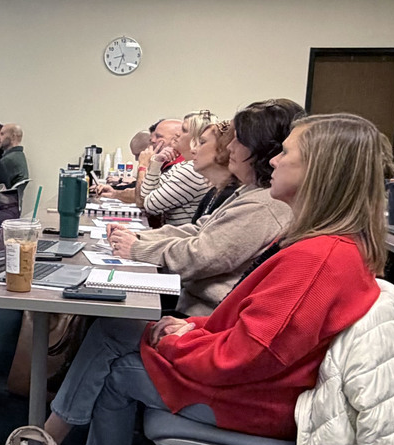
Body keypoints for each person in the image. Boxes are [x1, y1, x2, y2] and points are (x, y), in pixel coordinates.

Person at [45, 113, 388, 445]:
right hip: (260, 384)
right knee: (120, 346)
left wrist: (175, 341)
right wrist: (194, 331)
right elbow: (255, 334)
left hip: (254, 401)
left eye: (287, 153)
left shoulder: (317, 258)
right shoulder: (327, 247)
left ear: (319, 170)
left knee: (118, 370)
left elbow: (245, 357)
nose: (274, 160)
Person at [108, 102, 301, 316]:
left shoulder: (263, 204)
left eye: (239, 140)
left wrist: (137, 248)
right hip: (190, 301)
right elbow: (197, 230)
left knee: (110, 326)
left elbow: (202, 254)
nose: (230, 147)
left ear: (260, 148)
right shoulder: (250, 192)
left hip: (201, 315)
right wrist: (138, 238)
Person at [134, 110, 214, 226]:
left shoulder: (192, 170)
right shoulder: (181, 165)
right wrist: (156, 163)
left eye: (184, 130)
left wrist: (144, 165)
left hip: (178, 238)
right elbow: (146, 194)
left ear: (197, 138)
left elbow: (149, 205)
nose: (177, 134)